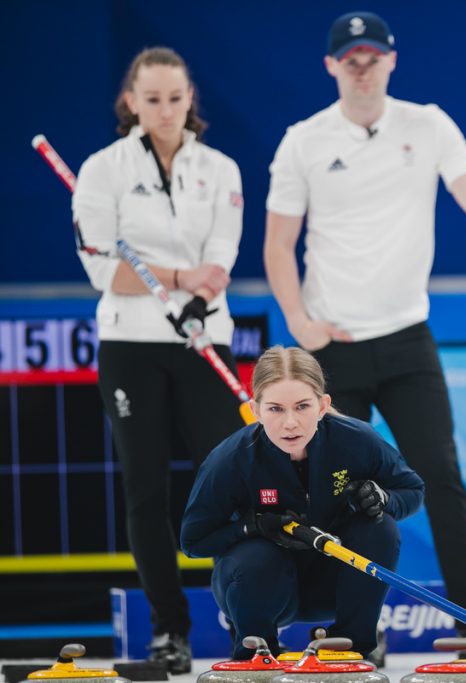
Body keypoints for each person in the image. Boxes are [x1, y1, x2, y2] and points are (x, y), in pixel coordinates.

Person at [263, 10, 466, 639]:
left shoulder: (429, 125)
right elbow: (278, 246)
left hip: (405, 339)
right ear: (332, 67)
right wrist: (299, 323)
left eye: (373, 57)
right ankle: (349, 630)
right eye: (351, 59)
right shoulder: (303, 139)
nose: (363, 69)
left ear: (391, 61)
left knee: (438, 479)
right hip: (332, 347)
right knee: (334, 491)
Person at [71, 46, 246, 675]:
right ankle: (169, 631)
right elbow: (101, 270)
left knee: (227, 485)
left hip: (204, 340)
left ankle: (245, 623)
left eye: (176, 98)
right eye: (153, 100)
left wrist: (200, 295)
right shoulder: (100, 170)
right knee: (146, 489)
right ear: (131, 102)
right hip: (130, 345)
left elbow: (222, 252)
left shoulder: (221, 168)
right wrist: (176, 275)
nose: (166, 111)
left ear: (190, 96)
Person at [180, 345, 425, 661]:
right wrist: (251, 526)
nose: (290, 423)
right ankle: (256, 649)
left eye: (302, 406)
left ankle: (350, 647)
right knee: (256, 556)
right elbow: (194, 541)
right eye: (276, 409)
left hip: (333, 582)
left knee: (380, 528)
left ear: (323, 406)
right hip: (263, 583)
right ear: (255, 410)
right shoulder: (231, 459)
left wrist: (383, 498)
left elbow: (412, 490)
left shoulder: (356, 440)